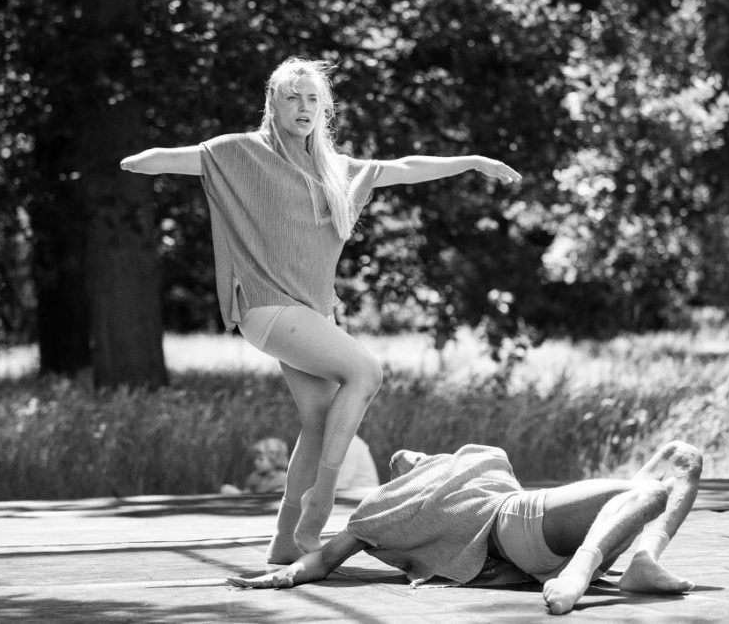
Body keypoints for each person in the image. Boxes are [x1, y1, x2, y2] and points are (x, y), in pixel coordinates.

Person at [120, 57, 522, 562]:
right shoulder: (244, 152)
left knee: (317, 419)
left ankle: (285, 543)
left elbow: (401, 169)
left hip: (309, 315)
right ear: (273, 104)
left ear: (324, 109)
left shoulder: (335, 170)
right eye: (293, 97)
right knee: (367, 372)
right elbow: (179, 158)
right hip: (268, 308)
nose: (304, 107)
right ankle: (322, 503)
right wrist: (136, 160)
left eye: (314, 99)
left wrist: (470, 160)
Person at [227, 440, 703, 616]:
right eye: (403, 463)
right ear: (405, 476)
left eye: (413, 455)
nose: (405, 458)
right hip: (515, 522)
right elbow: (328, 558)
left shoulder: (475, 459)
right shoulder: (388, 505)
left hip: (564, 527)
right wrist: (287, 574)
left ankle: (643, 560)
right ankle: (578, 571)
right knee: (649, 495)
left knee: (684, 458)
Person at [220, 437, 289, 495]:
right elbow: (247, 493)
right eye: (256, 458)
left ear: (274, 460)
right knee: (225, 488)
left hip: (270, 507)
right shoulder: (254, 477)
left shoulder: (283, 478)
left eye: (260, 459)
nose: (256, 462)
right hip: (254, 505)